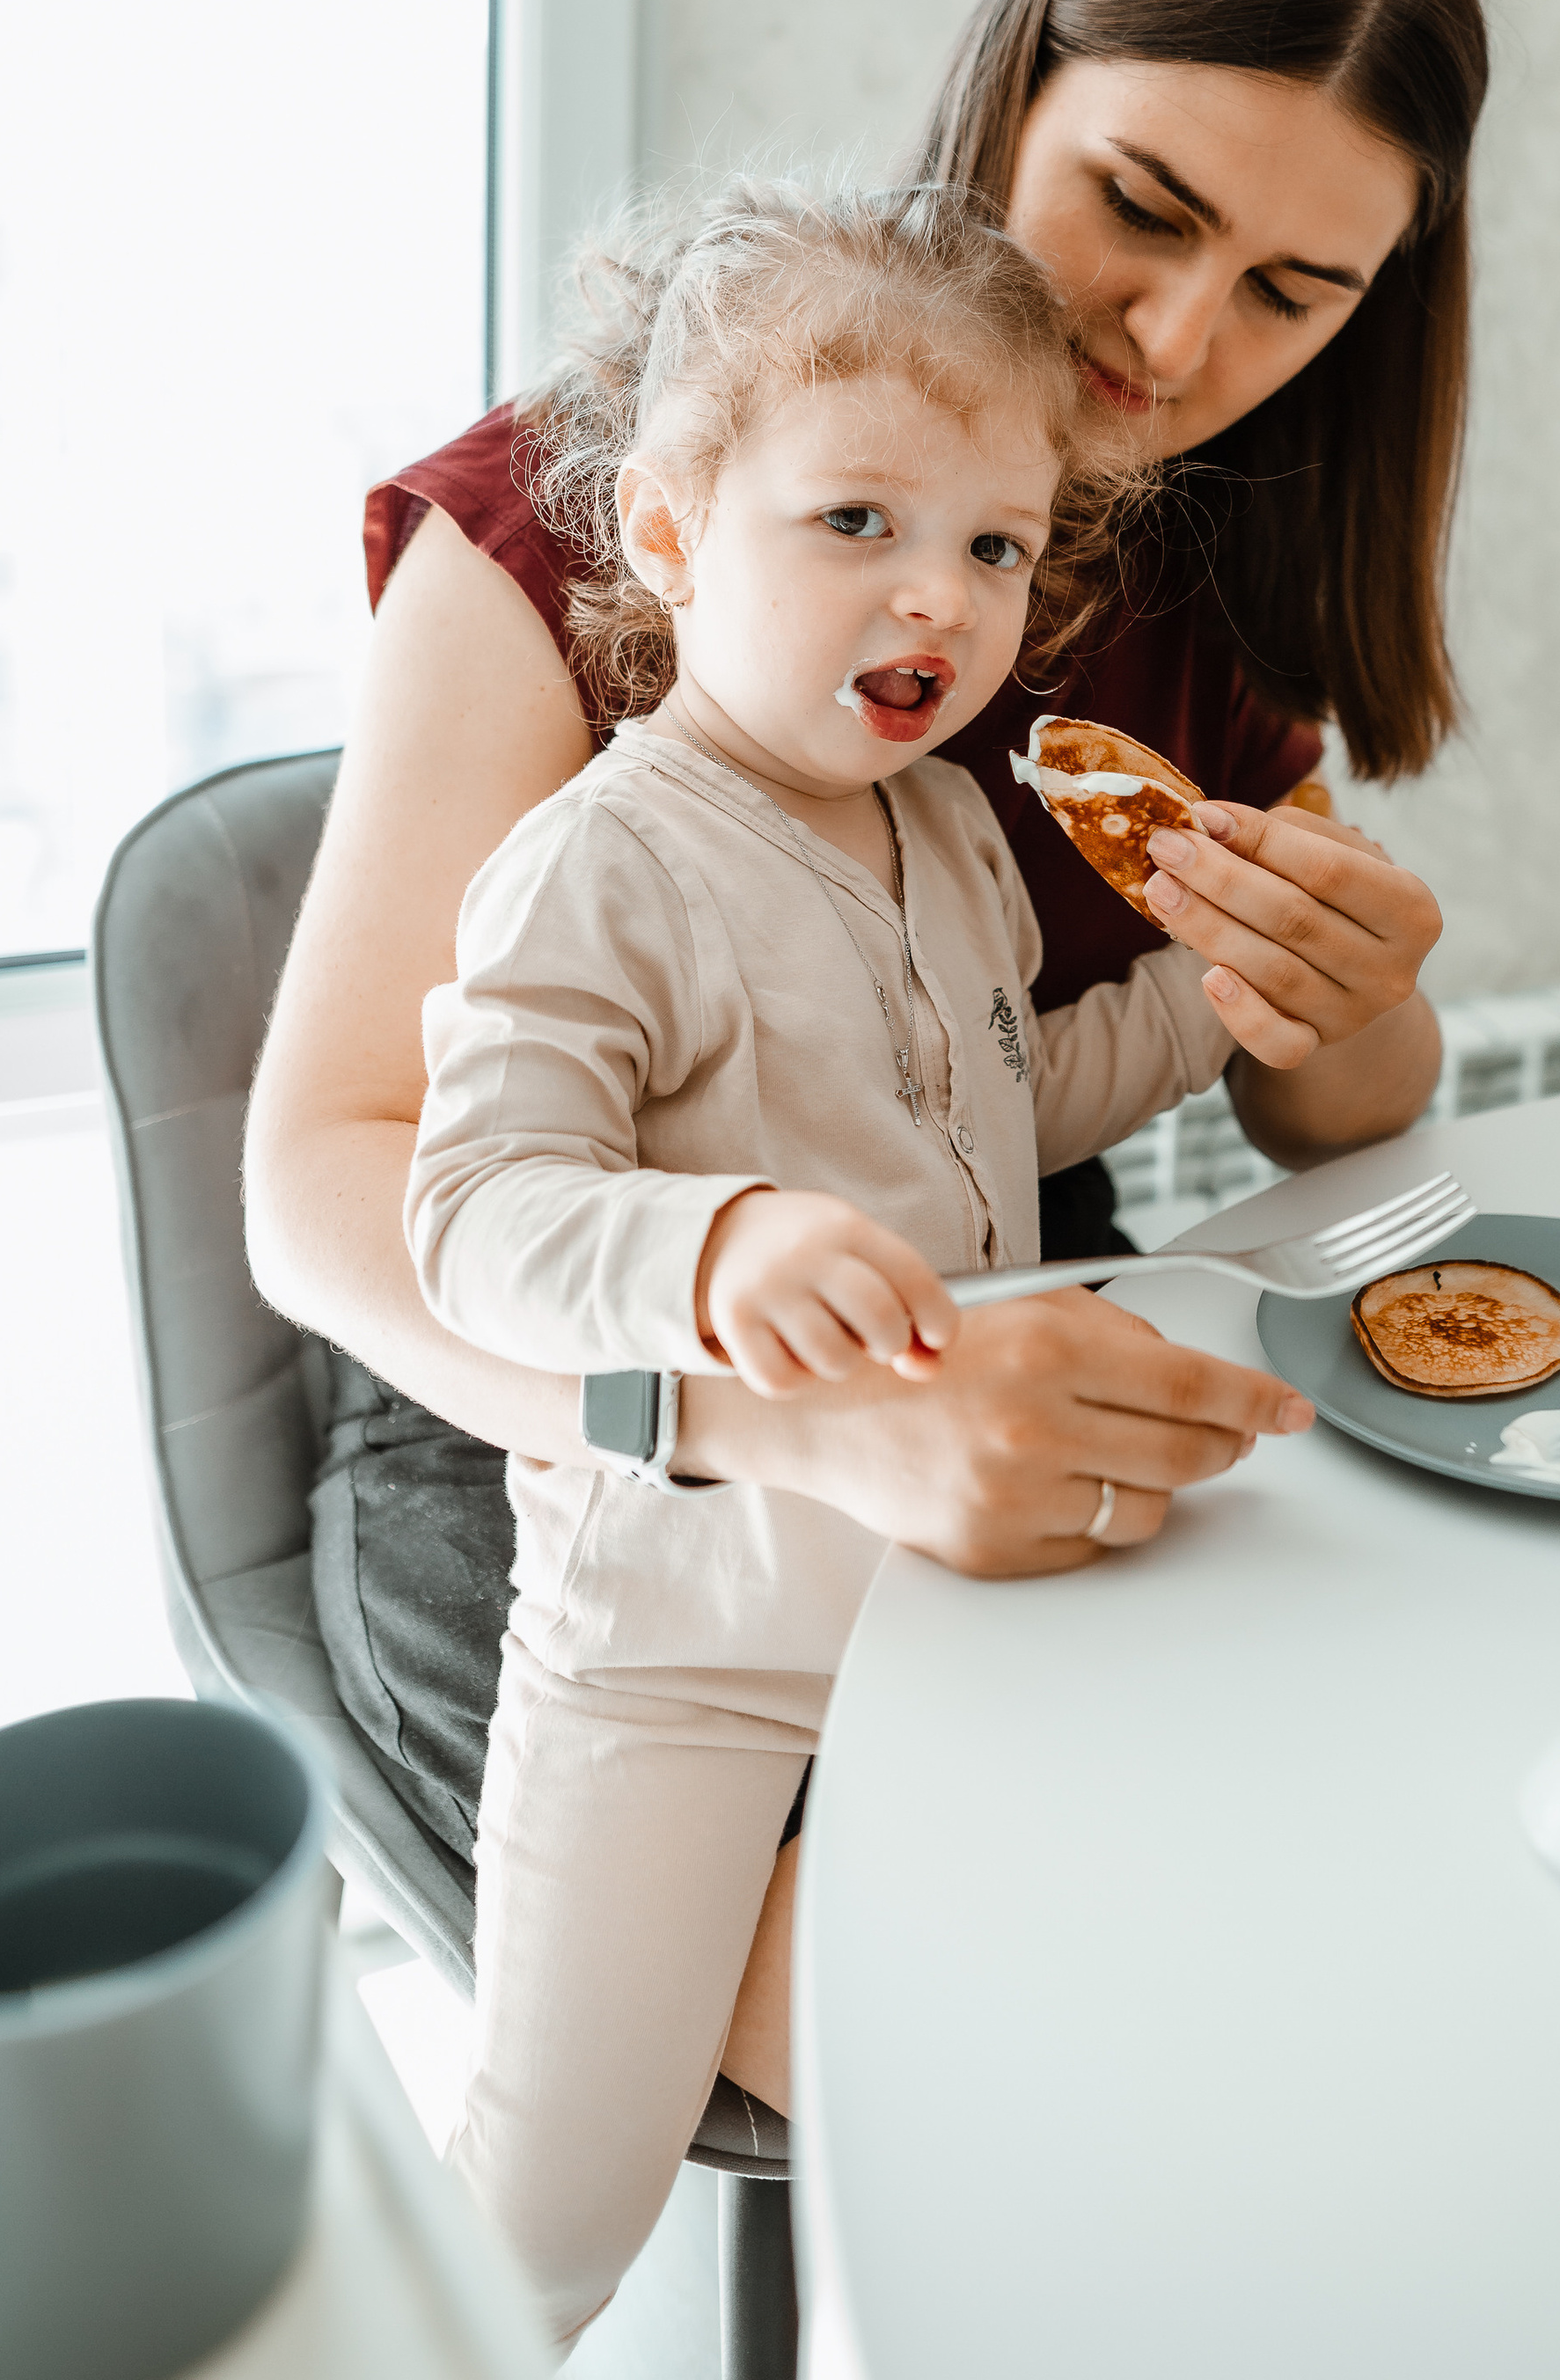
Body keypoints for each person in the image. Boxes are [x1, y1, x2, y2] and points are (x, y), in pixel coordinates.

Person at [244, 0, 1487, 2139]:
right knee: (1048, 2098)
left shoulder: (1204, 603)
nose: (1181, 341)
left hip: (1011, 1340)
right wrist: (767, 1416)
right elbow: (323, 1184)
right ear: (1016, 81)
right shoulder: (578, 509)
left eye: (1300, 294)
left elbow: (1316, 1119)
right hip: (562, 1437)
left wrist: (1357, 987)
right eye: (1143, 206)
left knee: (1349, 1893)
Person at [414, 182, 1277, 2333]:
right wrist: (705, 1239)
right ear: (677, 531)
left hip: (953, 1587)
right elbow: (469, 1218)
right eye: (857, 524)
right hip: (681, 1633)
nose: (941, 598)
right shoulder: (598, 864)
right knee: (544, 2213)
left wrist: (1219, 992)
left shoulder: (956, 826)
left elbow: (1002, 1112)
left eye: (992, 546)